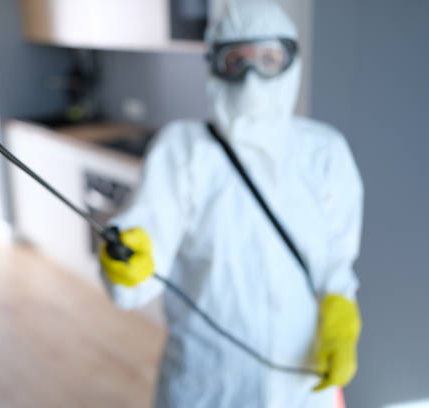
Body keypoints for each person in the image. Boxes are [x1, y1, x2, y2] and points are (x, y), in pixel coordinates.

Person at [98, 0, 364, 407]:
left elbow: (335, 263)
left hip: (303, 382)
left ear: (291, 62)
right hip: (207, 385)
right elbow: (141, 266)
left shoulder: (325, 152)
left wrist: (341, 319)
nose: (252, 76)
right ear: (214, 64)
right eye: (236, 59)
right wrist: (128, 264)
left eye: (269, 58)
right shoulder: (182, 149)